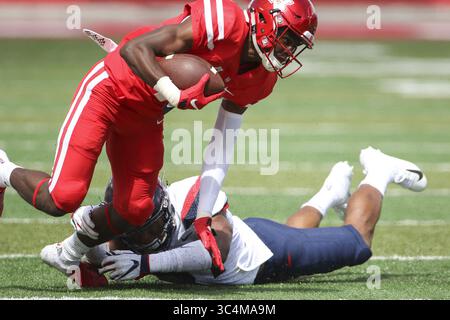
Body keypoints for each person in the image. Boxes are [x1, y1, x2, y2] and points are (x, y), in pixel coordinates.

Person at [0, 0, 318, 276]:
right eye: (287, 36)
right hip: (112, 88)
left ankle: (67, 252)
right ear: (265, 18)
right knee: (62, 198)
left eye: (295, 44)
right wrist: (173, 92)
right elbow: (134, 48)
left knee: (135, 208)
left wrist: (204, 214)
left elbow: (222, 143)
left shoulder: (260, 79)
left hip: (145, 116)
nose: (288, 49)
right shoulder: (225, 21)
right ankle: (3, 171)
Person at [61, 146, 426, 286]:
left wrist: (146, 263)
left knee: (358, 246)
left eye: (148, 224)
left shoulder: (193, 194)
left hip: (260, 254)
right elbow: (98, 268)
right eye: (131, 228)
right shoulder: (125, 223)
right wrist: (83, 238)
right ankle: (329, 193)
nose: (139, 236)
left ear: (163, 207)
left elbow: (213, 253)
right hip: (256, 249)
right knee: (294, 236)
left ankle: (379, 169)